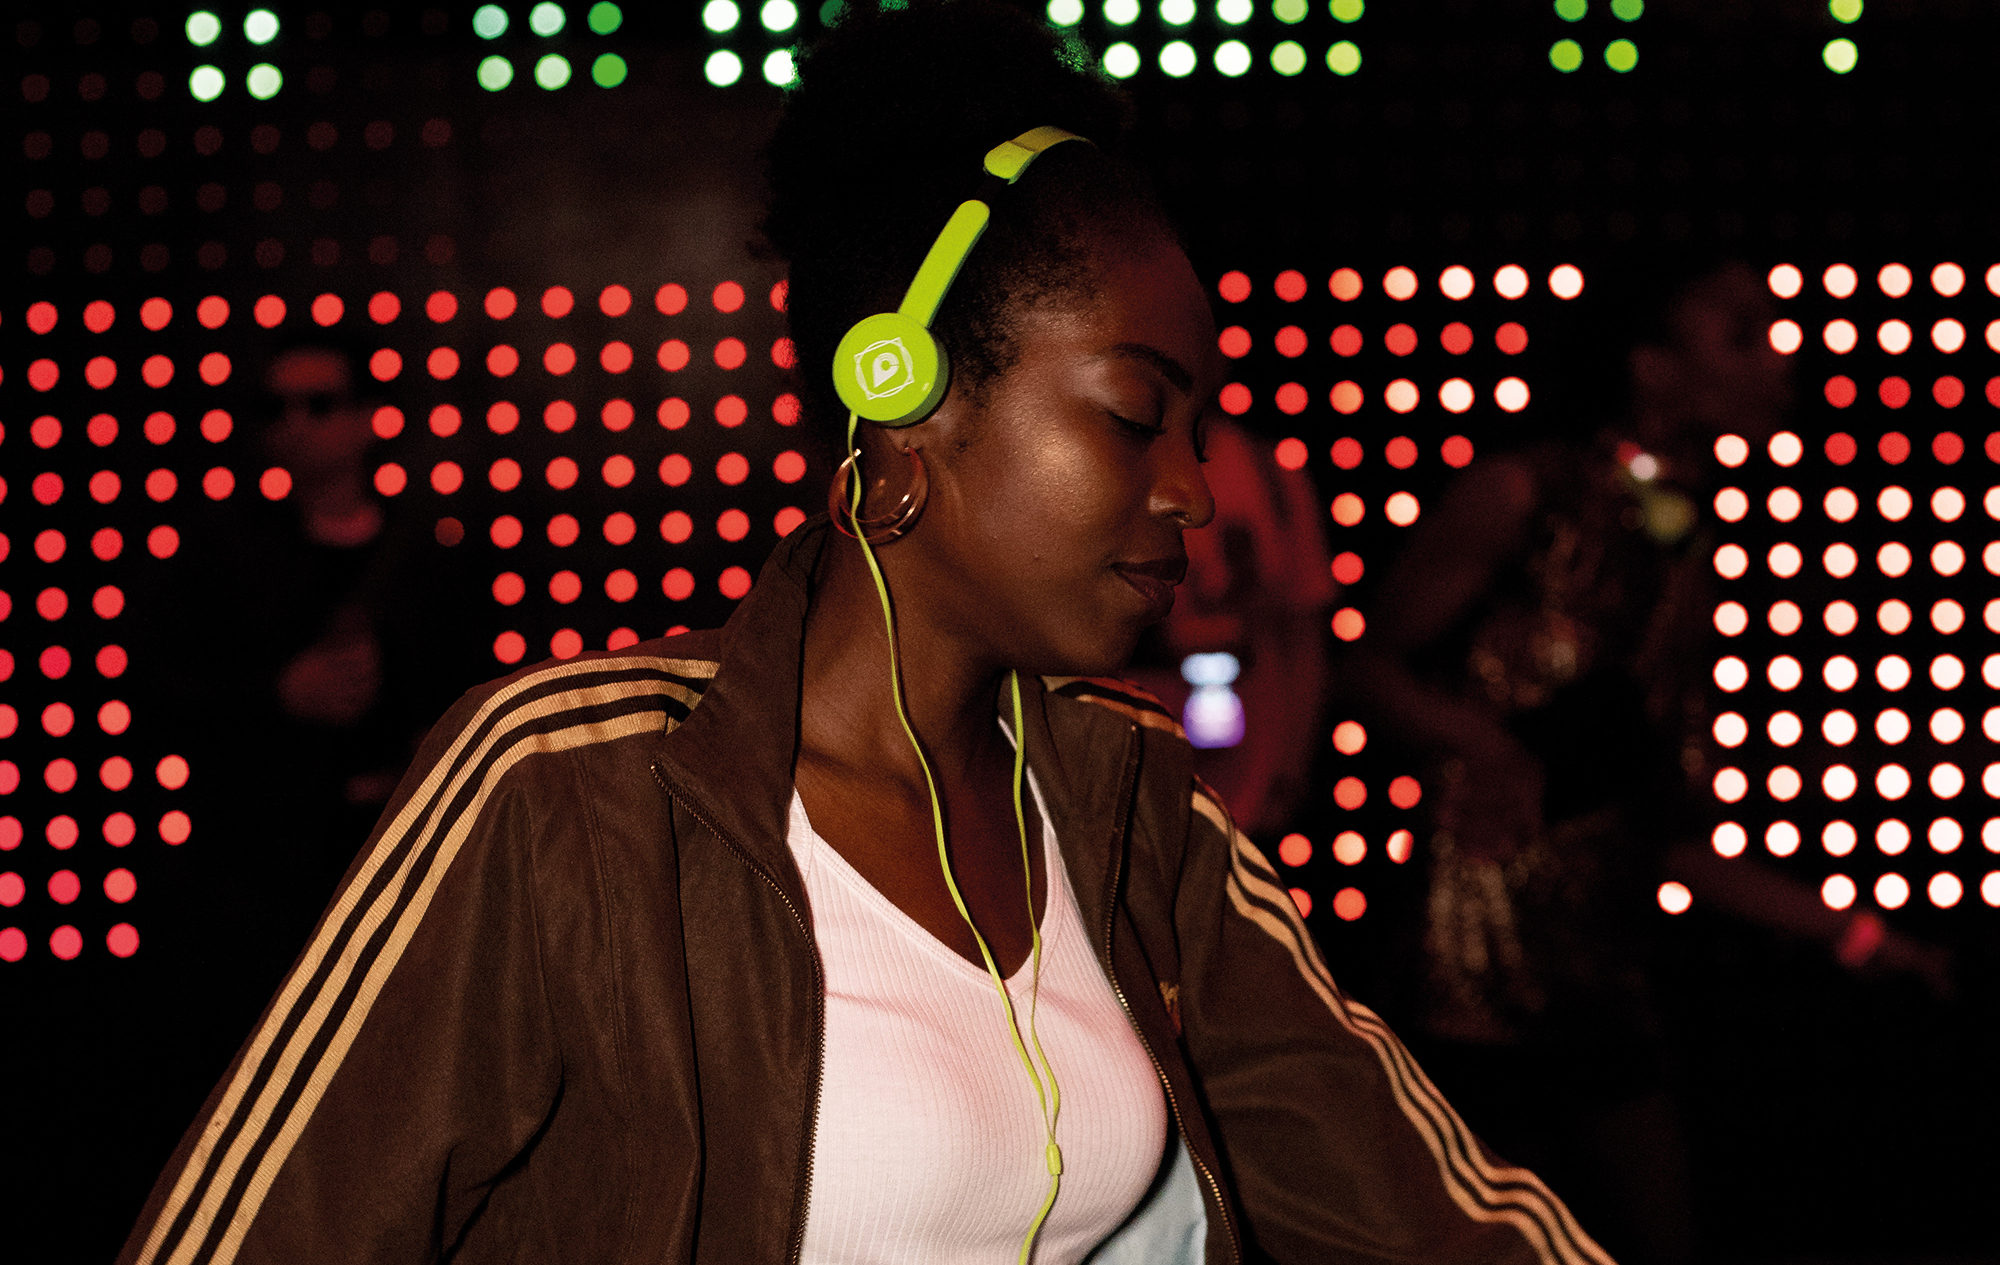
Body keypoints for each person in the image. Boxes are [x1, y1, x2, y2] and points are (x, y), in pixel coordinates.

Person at [119, 5, 1606, 1263]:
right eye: (1134, 413)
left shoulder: (1133, 800)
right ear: (903, 403)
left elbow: (1440, 1213)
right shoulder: (574, 790)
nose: (1192, 489)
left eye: (1196, 429)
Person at [1347, 263, 1948, 1264]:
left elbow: (1653, 821)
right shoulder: (1522, 494)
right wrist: (1488, 747)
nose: (1779, 361)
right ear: (1652, 366)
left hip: (1601, 976)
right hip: (1468, 984)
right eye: (1742, 334)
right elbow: (1362, 666)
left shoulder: (1679, 538)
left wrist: (1857, 936)